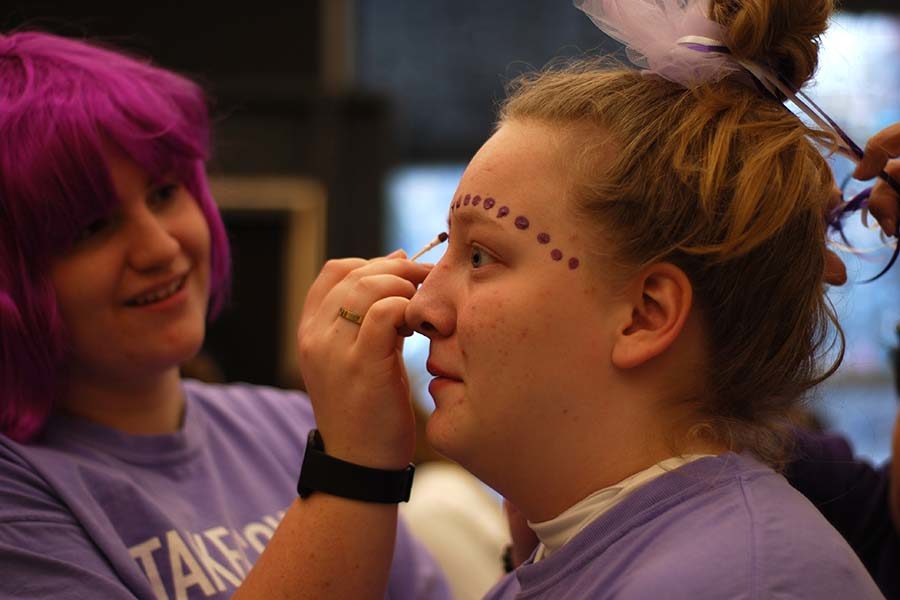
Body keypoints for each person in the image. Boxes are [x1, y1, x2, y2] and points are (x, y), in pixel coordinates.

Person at [290, 0, 891, 597]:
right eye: (448, 248)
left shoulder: (736, 584)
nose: (421, 309)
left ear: (645, 315)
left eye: (481, 257)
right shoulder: (603, 555)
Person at [0, 31, 451, 599]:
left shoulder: (291, 428)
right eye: (92, 228)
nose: (161, 248)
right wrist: (354, 466)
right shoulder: (18, 490)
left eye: (164, 193)